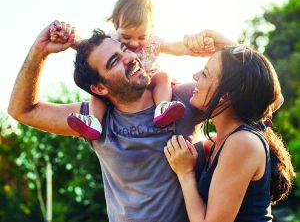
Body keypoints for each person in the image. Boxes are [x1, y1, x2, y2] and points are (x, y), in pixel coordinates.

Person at [8, 20, 215, 222]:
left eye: (125, 49)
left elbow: (243, 84)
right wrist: (39, 50)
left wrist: (213, 39)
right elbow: (22, 111)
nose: (130, 57)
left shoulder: (182, 99)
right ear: (99, 89)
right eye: (114, 61)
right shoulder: (94, 121)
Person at [164, 31, 295, 221]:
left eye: (205, 74)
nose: (195, 76)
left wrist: (185, 173)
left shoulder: (242, 143)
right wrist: (230, 49)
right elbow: (271, 94)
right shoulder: (225, 139)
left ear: (226, 95)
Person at [49, 0, 214, 140]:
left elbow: (174, 47)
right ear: (116, 26)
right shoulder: (111, 41)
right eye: (126, 37)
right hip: (124, 86)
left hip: (150, 80)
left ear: (151, 30)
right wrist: (69, 39)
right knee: (98, 93)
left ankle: (162, 107)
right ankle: (94, 121)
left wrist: (192, 47)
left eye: (142, 36)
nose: (134, 43)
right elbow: (89, 48)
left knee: (163, 76)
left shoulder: (152, 42)